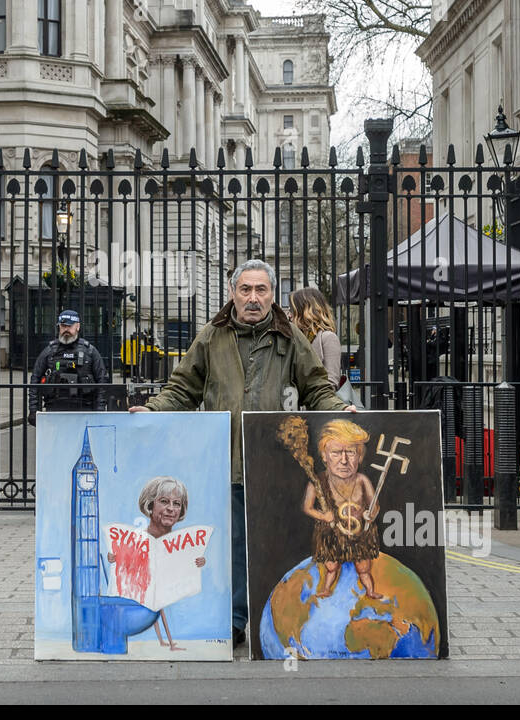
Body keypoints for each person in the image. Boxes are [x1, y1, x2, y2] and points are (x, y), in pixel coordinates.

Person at [130, 259, 355, 644]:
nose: (253, 298)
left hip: (277, 463)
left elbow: (317, 387)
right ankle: (235, 622)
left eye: (261, 290)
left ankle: (282, 619)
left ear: (272, 295)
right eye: (245, 289)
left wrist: (339, 410)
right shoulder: (212, 337)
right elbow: (183, 388)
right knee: (233, 547)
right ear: (233, 293)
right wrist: (152, 409)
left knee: (279, 543)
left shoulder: (290, 338)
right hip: (227, 461)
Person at [106, 476, 206, 651]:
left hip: (161, 585)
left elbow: (186, 563)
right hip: (138, 595)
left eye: (177, 503)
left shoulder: (178, 541)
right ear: (150, 505)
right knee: (154, 603)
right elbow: (120, 555)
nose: (171, 509)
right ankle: (163, 640)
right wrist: (114, 558)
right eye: (164, 501)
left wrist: (198, 562)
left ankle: (165, 641)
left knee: (159, 603)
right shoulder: (138, 538)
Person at [301, 419, 383, 600]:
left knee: (364, 567)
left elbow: (374, 505)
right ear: (324, 455)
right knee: (331, 566)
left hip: (359, 533)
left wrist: (370, 515)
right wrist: (323, 516)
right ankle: (326, 588)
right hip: (332, 533)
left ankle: (370, 591)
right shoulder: (317, 482)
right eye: (337, 453)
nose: (344, 460)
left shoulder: (361, 480)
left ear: (359, 456)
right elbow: (307, 507)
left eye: (351, 453)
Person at [28, 309, 109, 423]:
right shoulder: (49, 351)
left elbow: (102, 380)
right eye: (63, 326)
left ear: (78, 327)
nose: (66, 329)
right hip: (55, 409)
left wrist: (100, 409)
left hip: (84, 410)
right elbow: (35, 379)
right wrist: (33, 409)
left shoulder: (89, 351)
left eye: (69, 326)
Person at [289, 287, 344, 389]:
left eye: (292, 310)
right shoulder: (296, 338)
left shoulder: (328, 338)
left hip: (315, 403)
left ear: (304, 311)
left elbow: (331, 382)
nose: (290, 315)